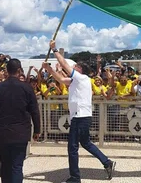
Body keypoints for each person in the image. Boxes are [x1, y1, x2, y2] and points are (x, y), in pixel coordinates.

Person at [42, 40, 115, 183]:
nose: (73, 66)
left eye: (76, 66)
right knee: (86, 143)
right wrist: (49, 70)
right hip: (82, 116)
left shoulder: (81, 78)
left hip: (79, 116)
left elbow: (64, 65)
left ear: (80, 70)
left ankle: (75, 177)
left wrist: (54, 49)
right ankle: (106, 162)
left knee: (72, 148)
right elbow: (62, 80)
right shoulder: (80, 80)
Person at [0, 59, 41, 183]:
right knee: (17, 166)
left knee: (5, 165)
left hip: (1, 132)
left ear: (7, 71)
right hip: (20, 133)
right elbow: (34, 111)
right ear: (19, 70)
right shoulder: (27, 88)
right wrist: (37, 130)